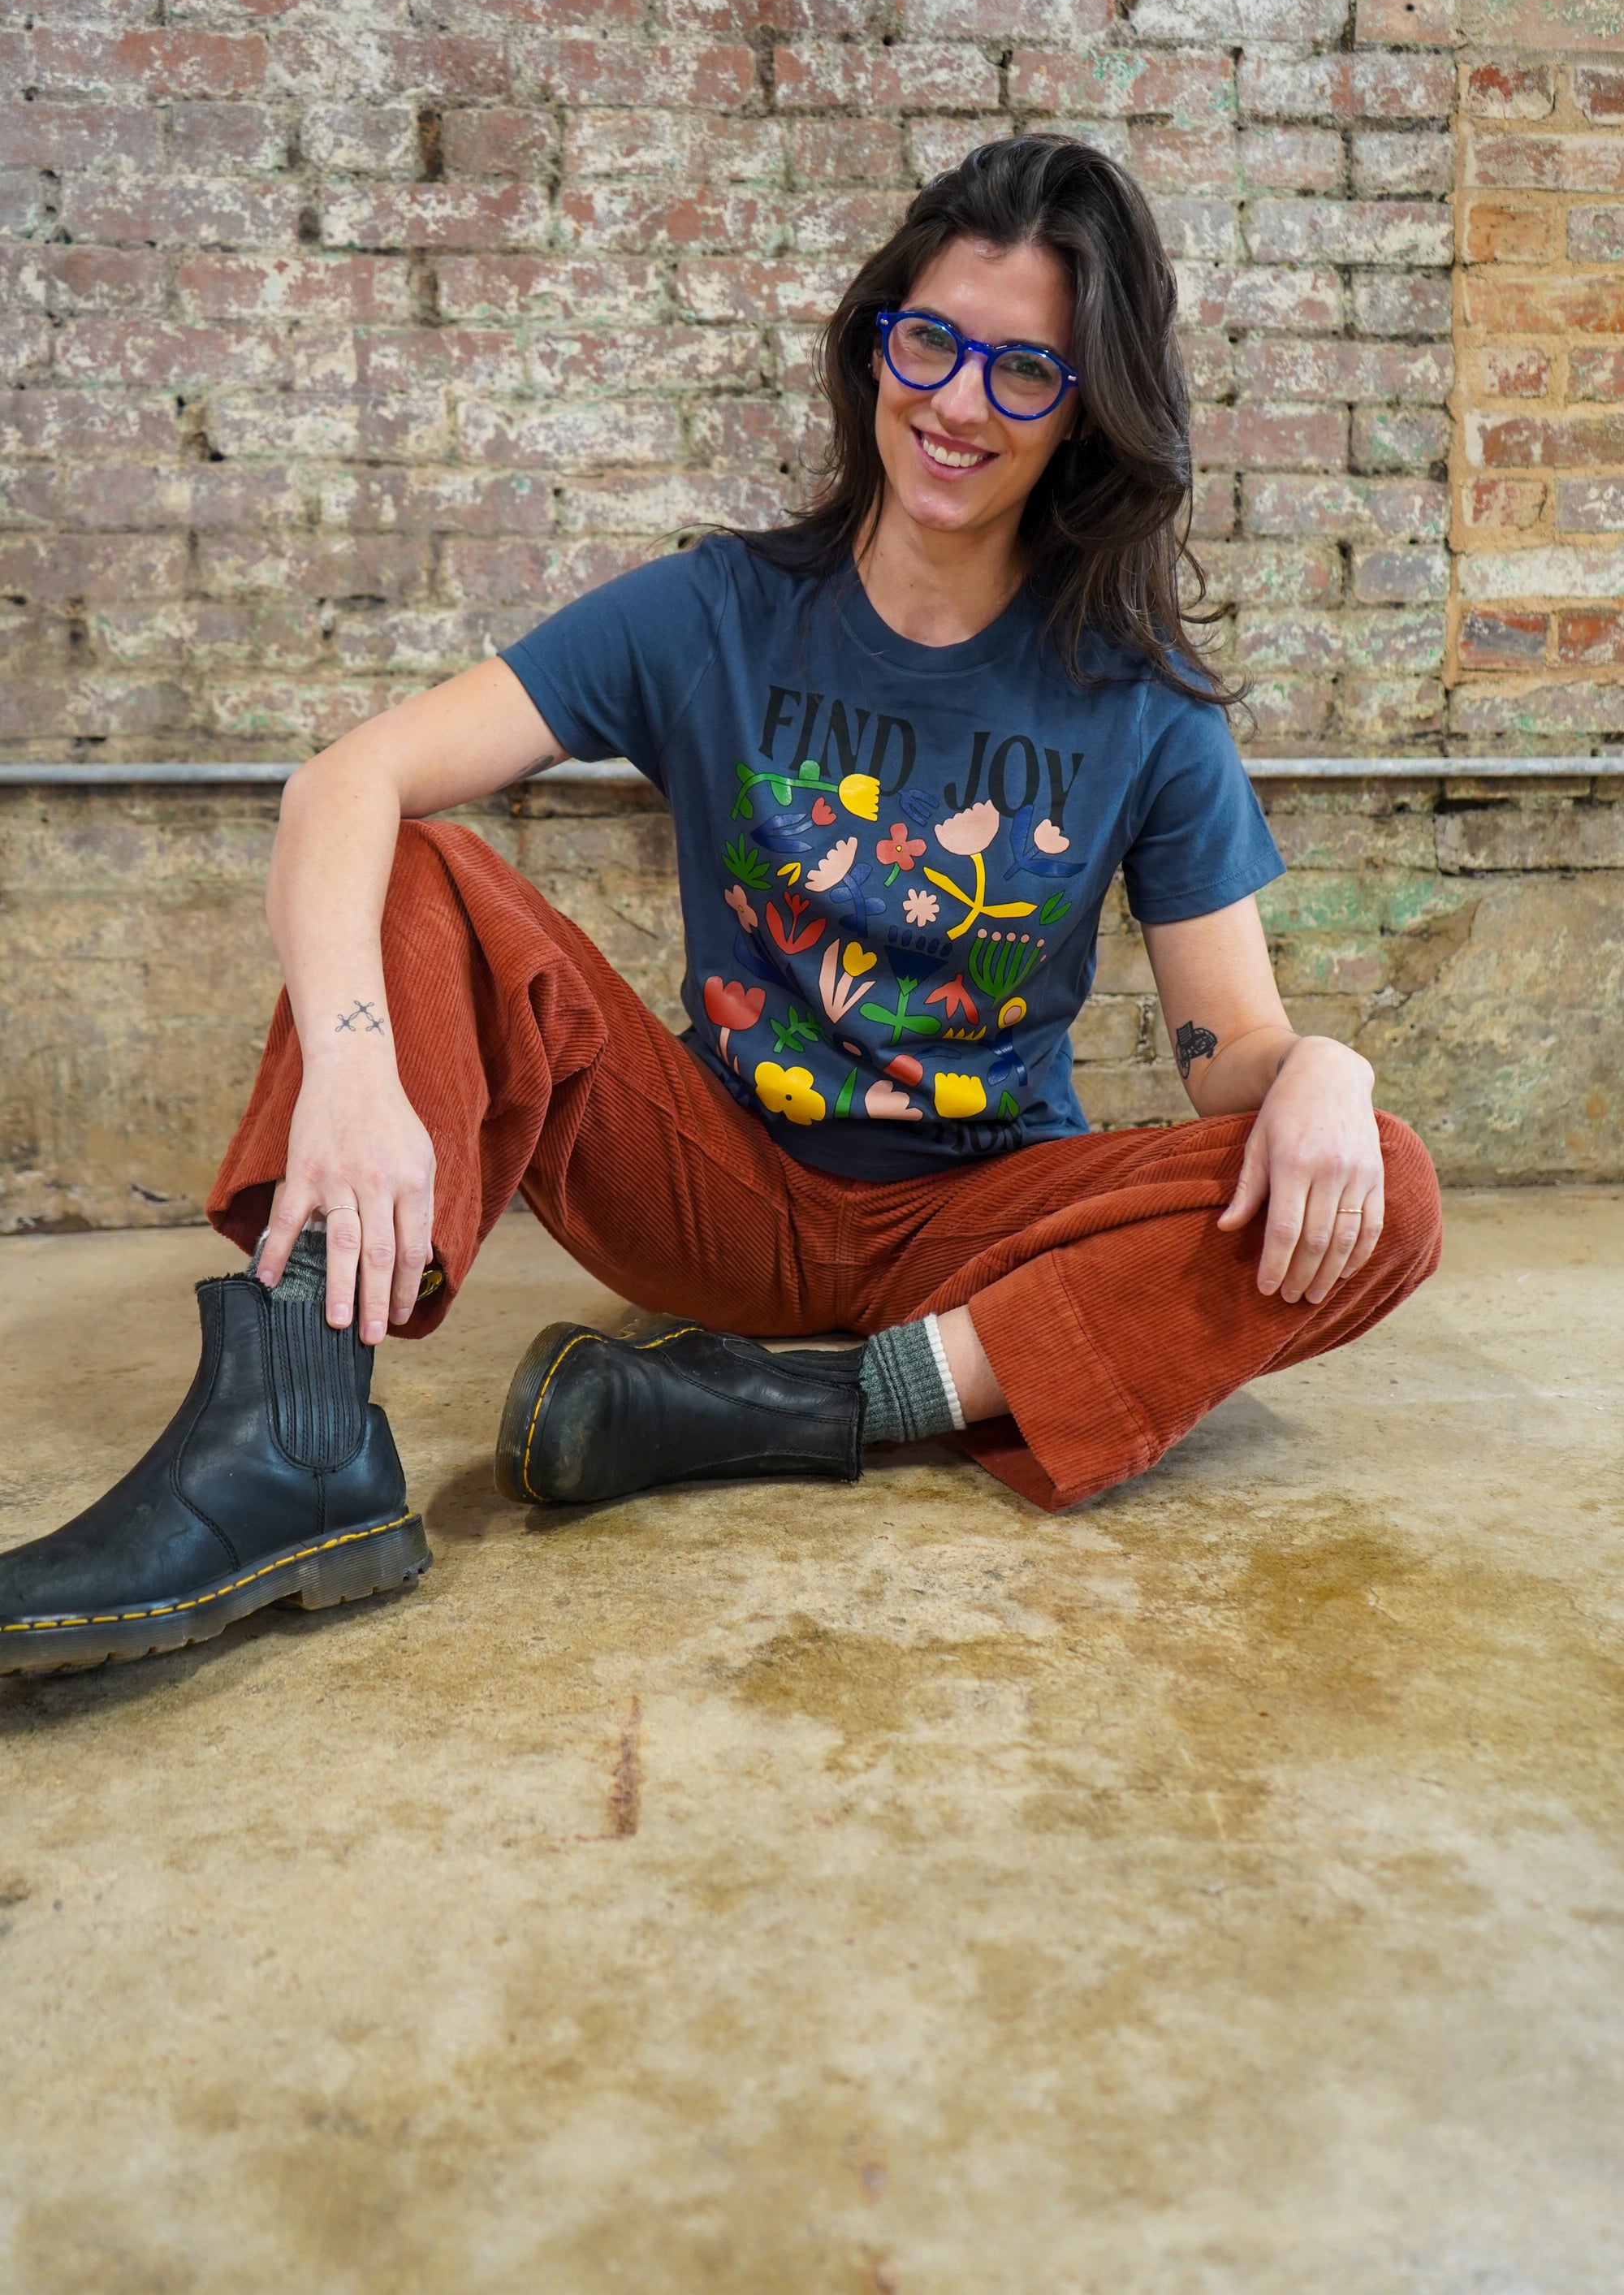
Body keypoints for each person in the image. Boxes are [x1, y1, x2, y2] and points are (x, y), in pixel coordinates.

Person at [0, 135, 1441, 1675]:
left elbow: (1233, 1057)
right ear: (879, 340)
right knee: (421, 865)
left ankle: (790, 1406)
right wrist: (356, 1075)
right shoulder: (717, 612)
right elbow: (340, 787)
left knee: (1389, 1192)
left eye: (1025, 373)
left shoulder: (1142, 710)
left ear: (1085, 411)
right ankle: (287, 1445)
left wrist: (1329, 1075)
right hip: (712, 1188)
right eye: (934, 342)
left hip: (974, 1227)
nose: (958, 403)